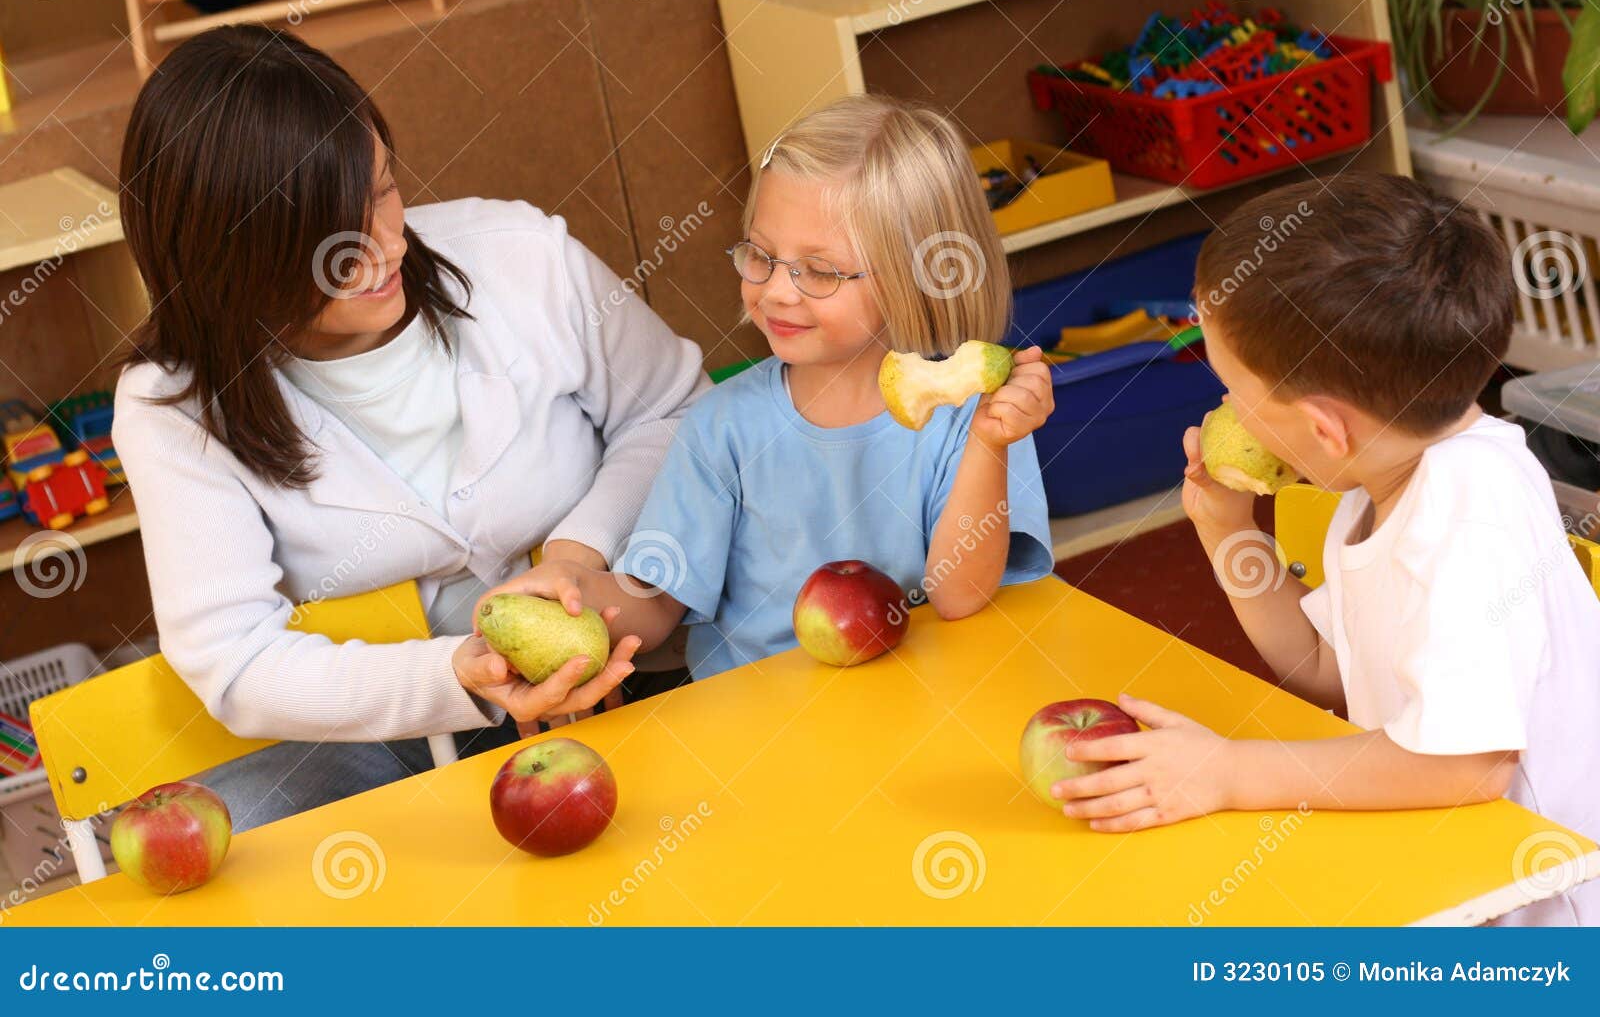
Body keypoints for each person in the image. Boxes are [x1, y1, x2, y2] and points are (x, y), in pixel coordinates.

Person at [113, 25, 707, 829]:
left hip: (638, 662)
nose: (390, 243)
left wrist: (577, 551)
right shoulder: (174, 407)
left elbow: (674, 409)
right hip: (396, 737)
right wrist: (460, 674)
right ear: (234, 258)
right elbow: (236, 659)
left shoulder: (519, 255)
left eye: (384, 189)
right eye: (335, 234)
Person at [1053, 174, 1600, 926]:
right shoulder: (1373, 486)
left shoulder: (1469, 516)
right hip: (1438, 863)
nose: (1221, 413)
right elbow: (1321, 668)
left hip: (1541, 923)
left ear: (1325, 429)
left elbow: (1470, 764)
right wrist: (1229, 531)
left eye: (1235, 393)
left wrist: (1229, 772)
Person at [488, 94, 1056, 678]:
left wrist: (989, 442)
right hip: (759, 732)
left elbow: (960, 597)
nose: (779, 291)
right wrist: (577, 592)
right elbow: (657, 606)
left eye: (820, 271)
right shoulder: (721, 426)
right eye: (761, 255)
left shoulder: (978, 420)